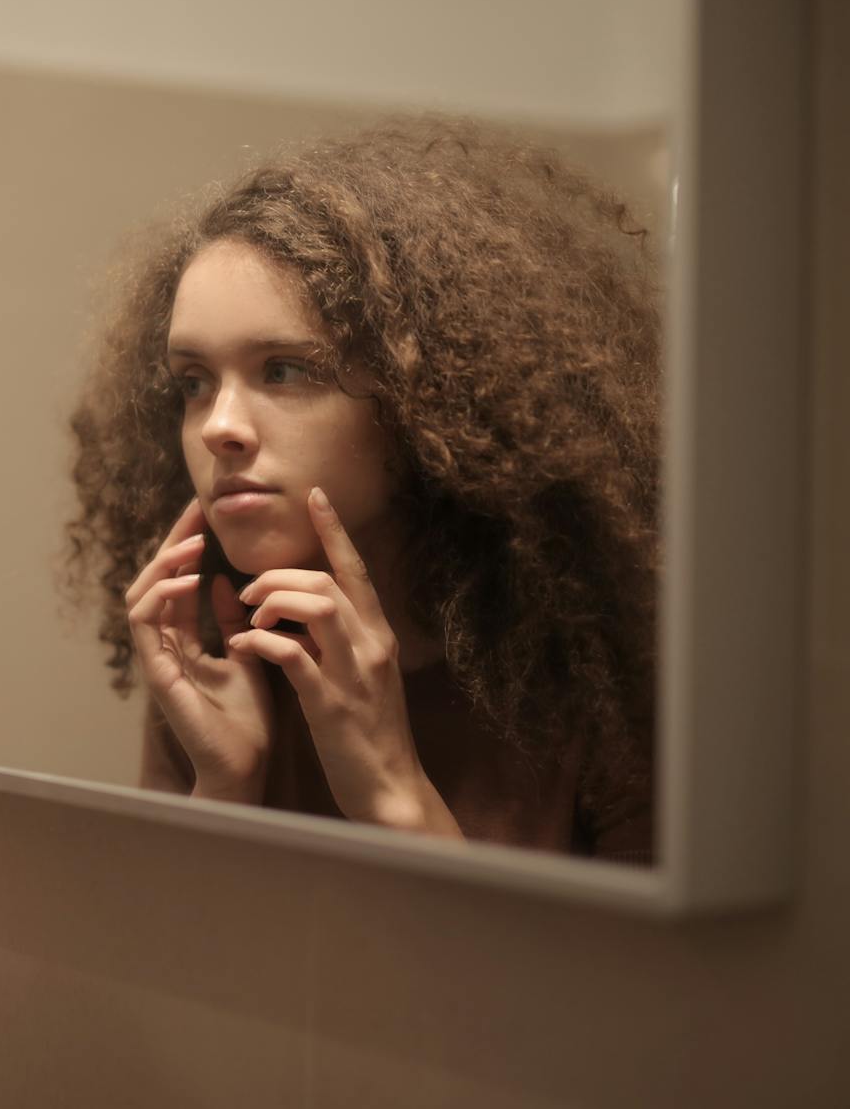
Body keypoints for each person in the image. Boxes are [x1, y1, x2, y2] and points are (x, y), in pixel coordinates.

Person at [66, 118, 659, 862]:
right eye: (193, 381)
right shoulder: (211, 653)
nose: (220, 426)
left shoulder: (604, 688)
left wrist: (392, 794)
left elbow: (625, 984)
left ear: (427, 399)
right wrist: (224, 786)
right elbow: (164, 973)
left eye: (284, 370)